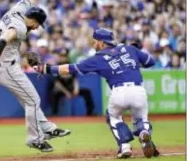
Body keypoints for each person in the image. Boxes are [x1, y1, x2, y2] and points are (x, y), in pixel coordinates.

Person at [32, 28, 160, 158]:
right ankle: (144, 133)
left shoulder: (98, 58)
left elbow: (71, 69)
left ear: (102, 43)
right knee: (140, 118)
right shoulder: (129, 48)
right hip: (138, 90)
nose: (94, 44)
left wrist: (46, 69)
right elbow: (150, 62)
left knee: (113, 117)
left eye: (95, 42)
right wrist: (134, 54)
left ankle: (125, 146)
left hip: (119, 91)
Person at [0, 0, 70, 153]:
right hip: (6, 68)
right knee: (34, 100)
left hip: (4, 66)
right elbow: (8, 35)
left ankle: (47, 129)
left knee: (29, 100)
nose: (35, 29)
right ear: (33, 20)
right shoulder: (19, 26)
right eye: (37, 25)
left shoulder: (19, 9)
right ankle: (35, 139)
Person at [49, 48, 94, 116]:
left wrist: (76, 89)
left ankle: (90, 112)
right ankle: (54, 113)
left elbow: (75, 79)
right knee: (54, 94)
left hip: (71, 88)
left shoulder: (71, 66)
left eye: (65, 56)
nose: (63, 58)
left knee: (87, 92)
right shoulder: (56, 67)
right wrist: (66, 92)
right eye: (61, 56)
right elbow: (57, 83)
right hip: (61, 89)